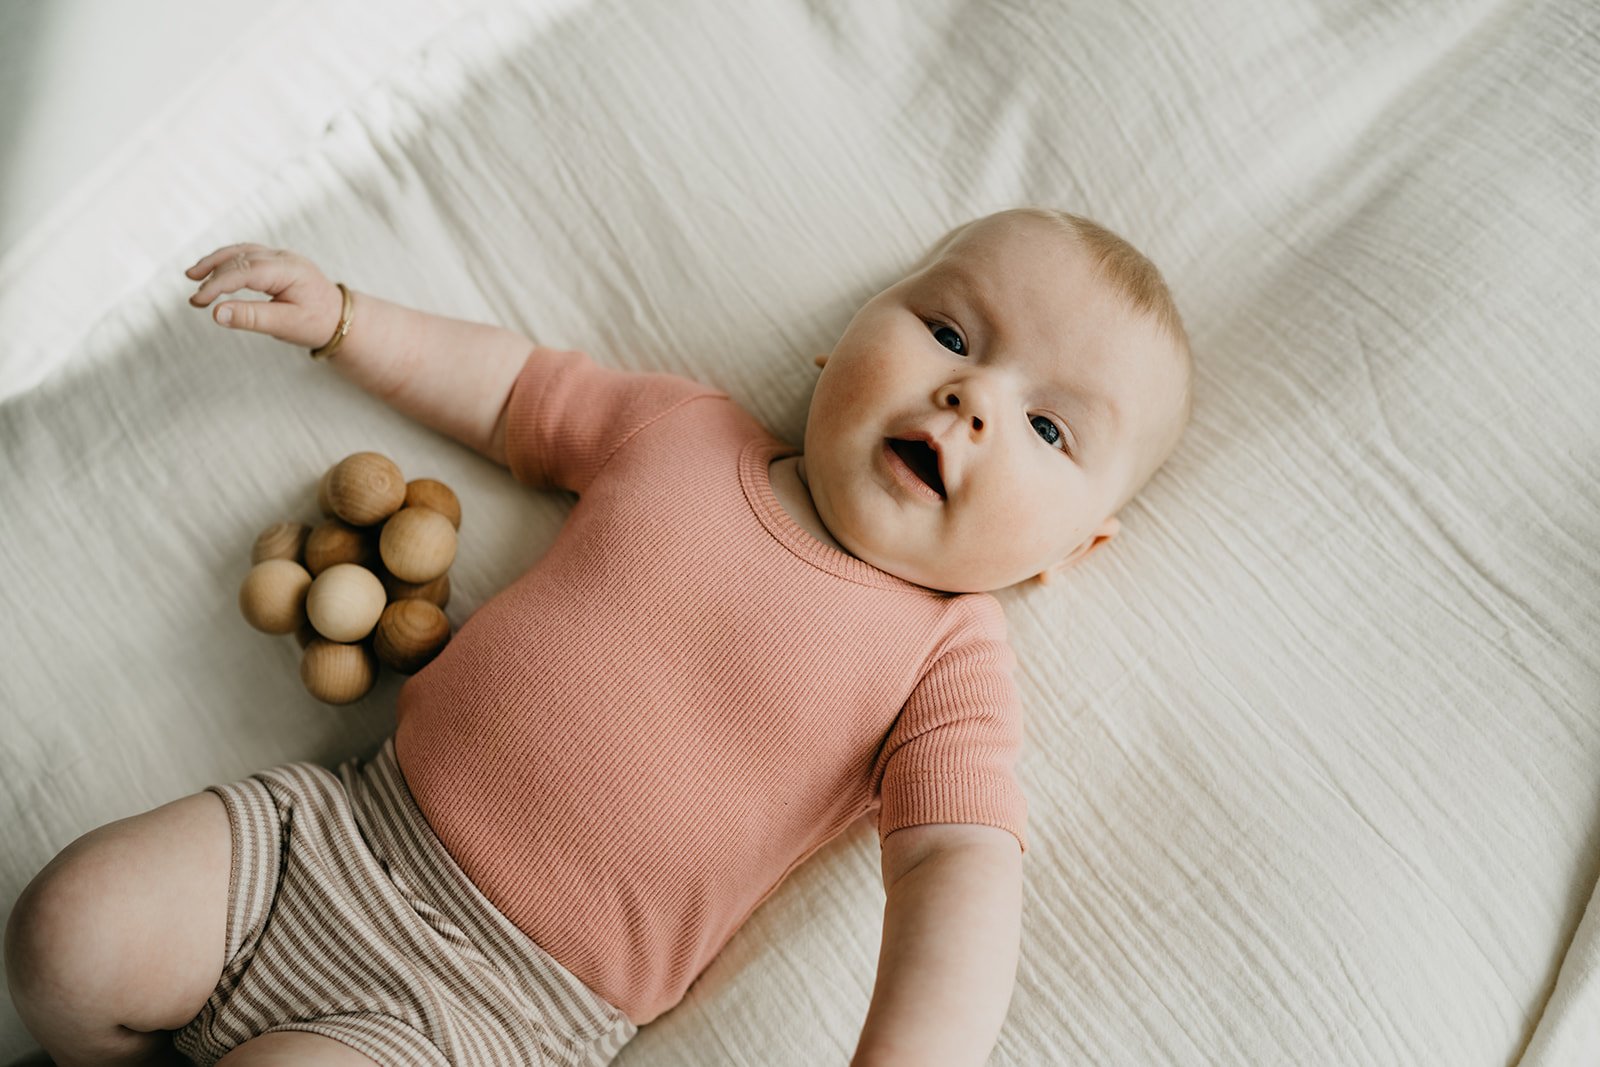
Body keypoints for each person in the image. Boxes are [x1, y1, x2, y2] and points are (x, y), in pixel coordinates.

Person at [5, 207, 1193, 1067]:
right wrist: (351, 321)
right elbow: (516, 389)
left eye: (1046, 427)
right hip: (331, 833)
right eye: (947, 331)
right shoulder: (686, 432)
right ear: (841, 345)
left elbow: (957, 869)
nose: (973, 397)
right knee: (67, 927)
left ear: (1070, 551)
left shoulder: (947, 658)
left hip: (483, 1017)